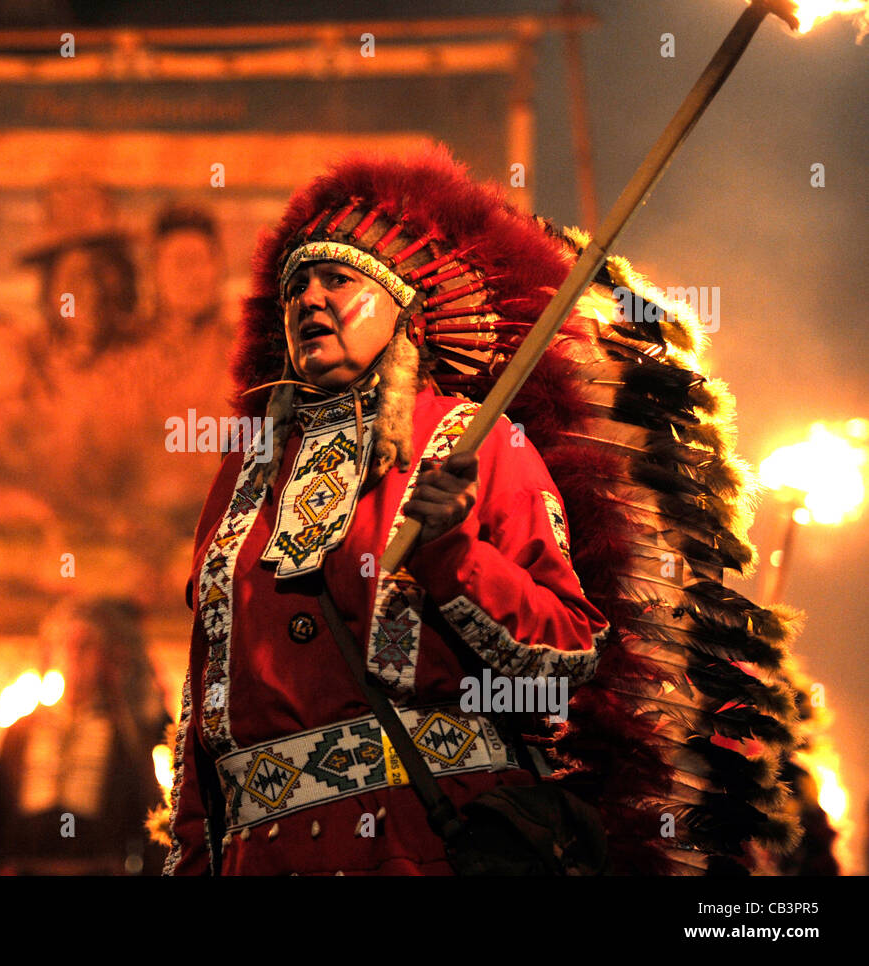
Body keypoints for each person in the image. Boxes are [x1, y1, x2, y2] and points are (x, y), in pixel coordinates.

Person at [162, 149, 611, 875]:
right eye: (295, 288)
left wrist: (451, 557)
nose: (309, 299)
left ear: (405, 311)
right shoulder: (243, 474)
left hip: (423, 842)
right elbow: (204, 699)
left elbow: (568, 656)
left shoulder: (477, 439)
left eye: (337, 280)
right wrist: (190, 859)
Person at [0, 597, 171, 875]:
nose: (73, 655)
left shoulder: (125, 738)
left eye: (85, 646)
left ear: (103, 657)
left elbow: (148, 822)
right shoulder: (20, 733)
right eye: (65, 645)